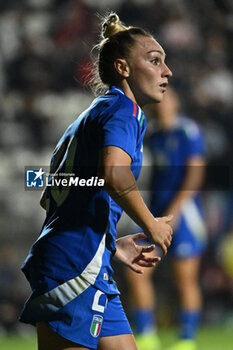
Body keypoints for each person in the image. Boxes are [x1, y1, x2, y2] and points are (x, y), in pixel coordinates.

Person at [19, 12, 173, 350]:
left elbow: (54, 194)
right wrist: (151, 225)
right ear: (123, 68)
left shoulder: (93, 115)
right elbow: (114, 175)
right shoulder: (124, 112)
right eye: (155, 60)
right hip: (75, 267)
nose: (167, 71)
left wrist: (111, 246)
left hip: (86, 259)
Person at [126, 87, 207, 350]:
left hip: (184, 214)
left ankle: (187, 339)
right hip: (156, 216)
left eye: (167, 98)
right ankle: (148, 336)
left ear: (176, 102)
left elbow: (195, 175)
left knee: (185, 278)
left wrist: (177, 209)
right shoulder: (154, 136)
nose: (162, 104)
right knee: (138, 273)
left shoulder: (188, 131)